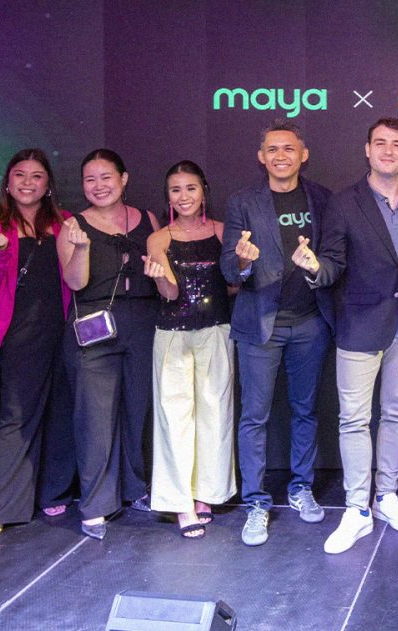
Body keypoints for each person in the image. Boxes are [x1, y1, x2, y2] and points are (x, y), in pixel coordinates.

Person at [295, 118, 398, 554]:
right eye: (381, 143)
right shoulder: (343, 202)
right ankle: (357, 509)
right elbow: (333, 262)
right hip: (359, 325)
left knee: (396, 413)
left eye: (397, 144)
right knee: (354, 419)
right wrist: (316, 268)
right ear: (367, 150)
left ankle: (385, 495)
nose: (389, 151)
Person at [220, 119, 333, 547]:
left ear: (303, 155)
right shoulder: (243, 202)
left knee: (305, 410)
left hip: (310, 322)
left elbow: (335, 256)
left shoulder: (322, 199)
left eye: (288, 149)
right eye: (272, 149)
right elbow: (229, 267)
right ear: (261, 157)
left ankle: (301, 487)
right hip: (260, 322)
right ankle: (256, 502)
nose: (280, 156)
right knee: (255, 416)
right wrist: (243, 261)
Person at [0, 149, 74, 551]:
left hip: (62, 327)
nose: (28, 183)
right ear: (7, 181)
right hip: (19, 331)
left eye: (36, 176)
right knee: (14, 416)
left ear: (48, 185)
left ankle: (52, 492)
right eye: (20, 175)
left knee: (60, 412)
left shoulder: (64, 222)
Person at [57, 148, 161, 540]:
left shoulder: (147, 219)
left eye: (106, 177)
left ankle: (135, 489)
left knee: (137, 410)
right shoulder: (73, 225)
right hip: (94, 325)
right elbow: (75, 283)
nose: (99, 186)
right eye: (90, 179)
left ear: (124, 178)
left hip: (143, 322)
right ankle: (95, 504)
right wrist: (82, 248)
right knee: (95, 418)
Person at [143, 160, 235, 539]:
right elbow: (171, 293)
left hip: (217, 329)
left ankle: (206, 494)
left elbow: (233, 284)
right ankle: (180, 502)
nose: (184, 196)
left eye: (191, 188)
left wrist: (245, 263)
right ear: (168, 196)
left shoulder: (223, 232)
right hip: (173, 333)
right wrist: (159, 278)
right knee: (174, 418)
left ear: (204, 191)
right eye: (176, 190)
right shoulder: (159, 239)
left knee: (215, 414)